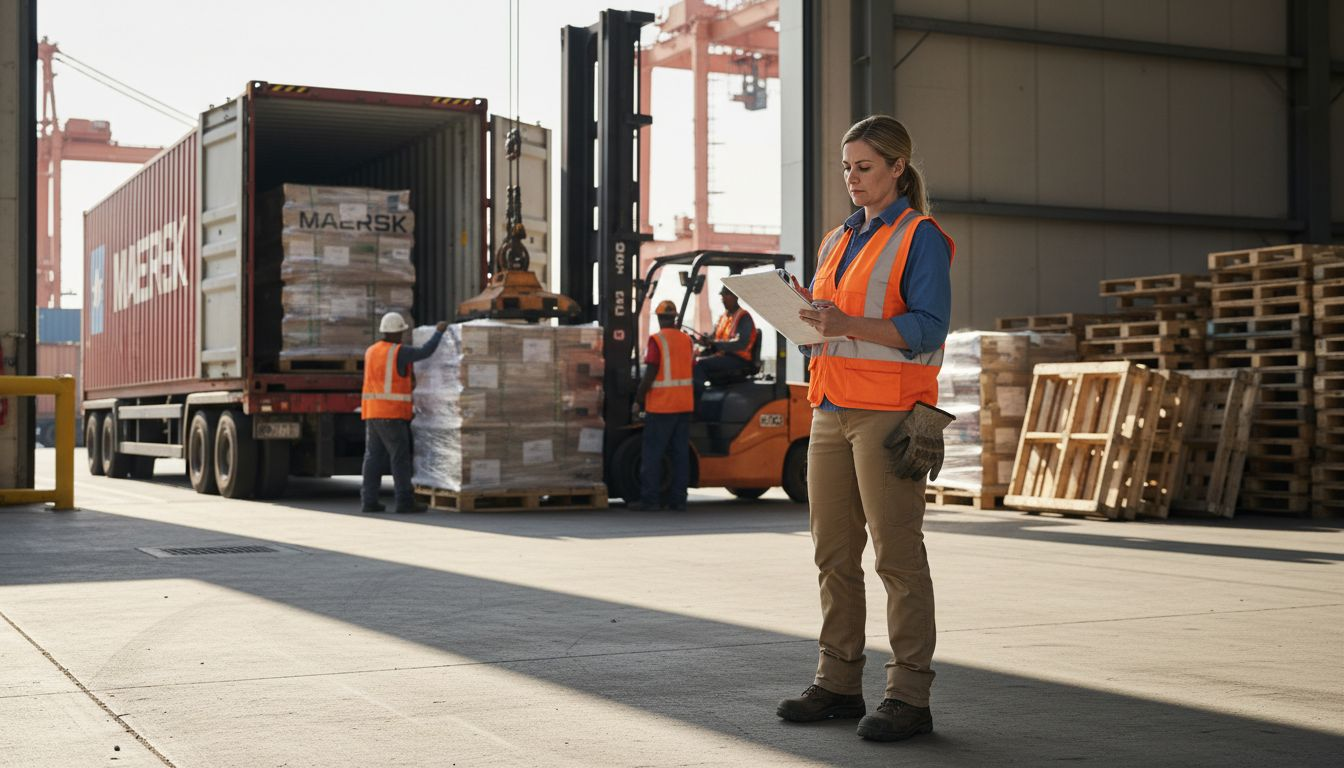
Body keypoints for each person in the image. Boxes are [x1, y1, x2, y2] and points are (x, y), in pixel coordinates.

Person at [775, 115, 955, 743]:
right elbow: (834, 324)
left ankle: (910, 694)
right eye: (847, 166)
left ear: (897, 168)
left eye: (865, 166)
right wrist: (809, 323)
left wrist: (845, 324)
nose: (851, 177)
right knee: (832, 554)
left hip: (888, 415)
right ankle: (838, 682)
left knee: (897, 557)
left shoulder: (920, 236)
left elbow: (929, 328)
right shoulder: (836, 239)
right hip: (830, 409)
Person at [361, 312, 447, 514]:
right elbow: (426, 351)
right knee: (399, 458)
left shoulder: (371, 351)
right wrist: (438, 332)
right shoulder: (398, 352)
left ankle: (369, 501)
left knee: (373, 457)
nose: (402, 336)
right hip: (391, 414)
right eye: (401, 332)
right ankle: (404, 501)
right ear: (396, 332)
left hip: (372, 413)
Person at [632, 300, 694, 511]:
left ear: (659, 319)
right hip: (684, 405)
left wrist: (638, 399)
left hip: (661, 407)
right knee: (680, 455)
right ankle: (678, 500)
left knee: (653, 455)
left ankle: (650, 500)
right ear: (674, 317)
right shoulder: (686, 340)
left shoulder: (656, 340)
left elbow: (650, 373)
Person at [693, 285, 759, 392]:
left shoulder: (743, 317)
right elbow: (713, 338)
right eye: (722, 296)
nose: (723, 299)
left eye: (726, 295)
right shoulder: (723, 318)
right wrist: (702, 340)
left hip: (739, 359)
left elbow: (741, 344)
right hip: (724, 356)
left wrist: (715, 344)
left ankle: (696, 401)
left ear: (735, 296)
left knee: (701, 364)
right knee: (694, 360)